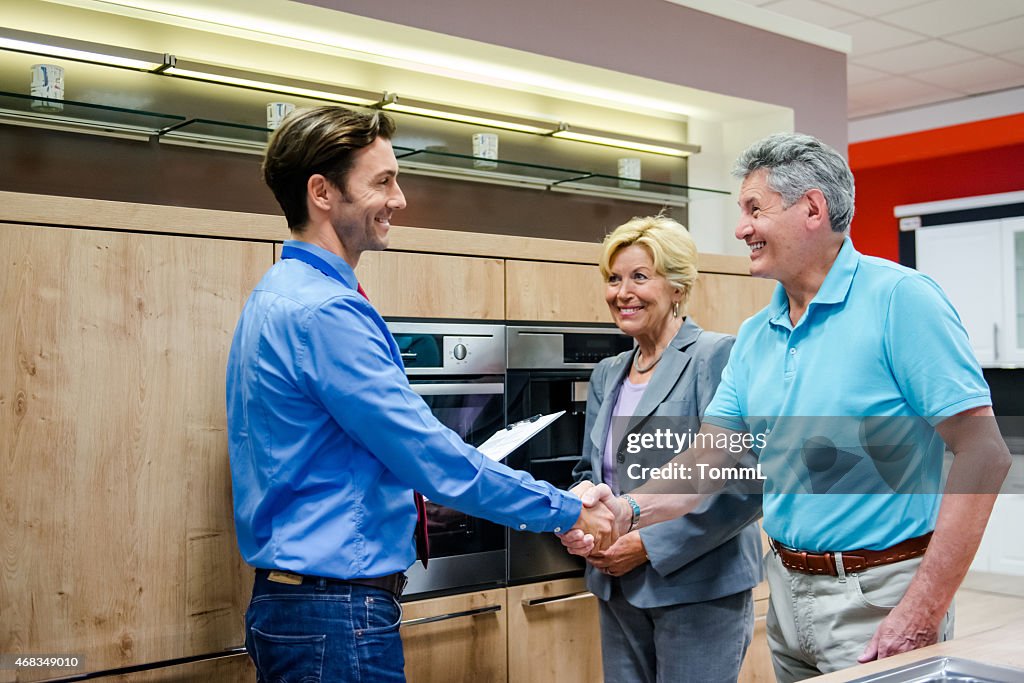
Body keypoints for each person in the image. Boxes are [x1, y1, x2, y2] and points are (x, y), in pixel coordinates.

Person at [564, 133, 1011, 681]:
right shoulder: (756, 334)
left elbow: (984, 453)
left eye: (755, 209)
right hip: (787, 593)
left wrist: (923, 608)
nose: (741, 227)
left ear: (813, 209)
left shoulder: (900, 299)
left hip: (880, 596)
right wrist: (625, 508)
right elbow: (709, 461)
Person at [225, 105, 616, 682]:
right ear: (321, 192)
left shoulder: (278, 293)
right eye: (382, 181)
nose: (400, 199)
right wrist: (565, 508)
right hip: (336, 617)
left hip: (300, 609)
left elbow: (325, 455)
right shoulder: (328, 312)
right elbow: (429, 454)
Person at [570, 215, 763, 683]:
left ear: (677, 288)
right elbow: (590, 469)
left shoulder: (716, 356)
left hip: (698, 587)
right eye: (614, 279)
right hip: (614, 584)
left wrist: (646, 545)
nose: (623, 292)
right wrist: (580, 513)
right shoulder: (608, 373)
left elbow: (746, 481)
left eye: (640, 276)